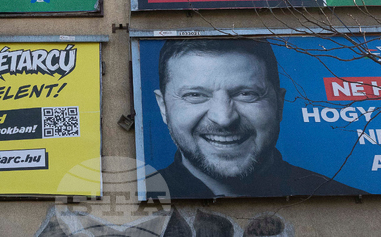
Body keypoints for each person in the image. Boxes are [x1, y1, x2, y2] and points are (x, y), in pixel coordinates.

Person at [153, 38, 360, 199]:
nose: (224, 119)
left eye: (246, 94)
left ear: (279, 104)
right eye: (195, 95)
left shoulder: (349, 203)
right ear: (163, 107)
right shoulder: (130, 209)